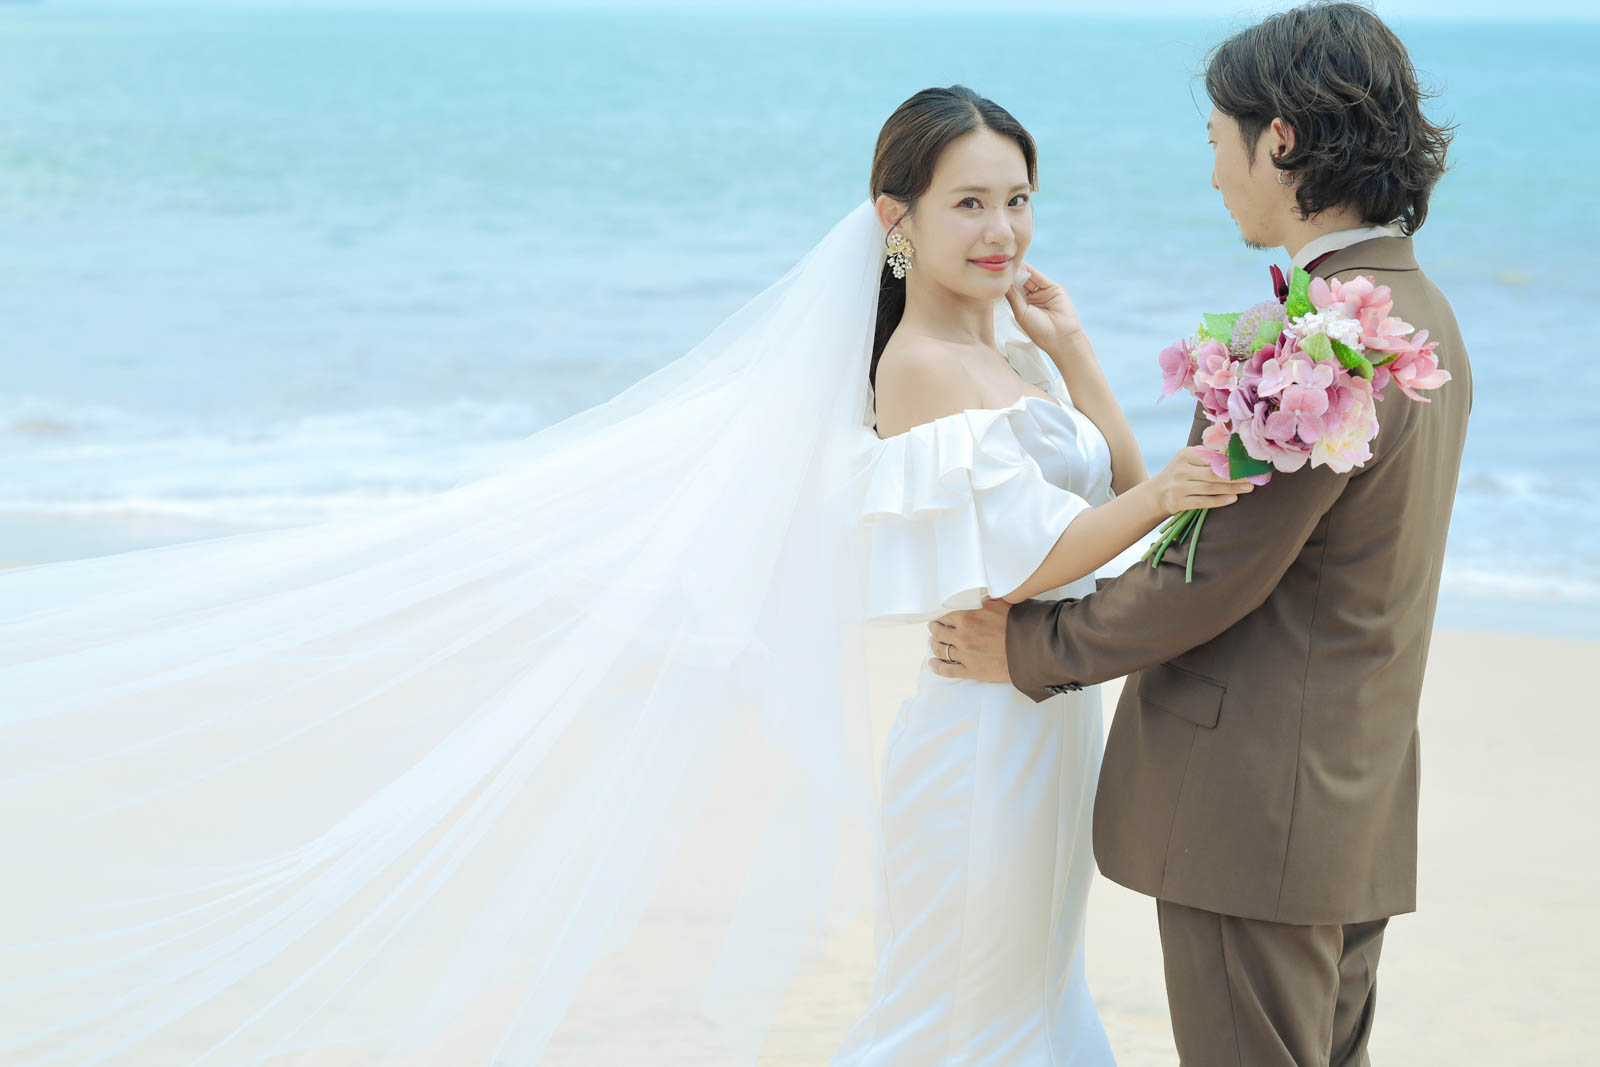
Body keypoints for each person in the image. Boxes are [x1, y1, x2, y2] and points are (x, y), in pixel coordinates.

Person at [933, 6, 1470, 1065]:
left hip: (1256, 808)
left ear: (1281, 140)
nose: (1215, 172)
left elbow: (1206, 574)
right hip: (1349, 792)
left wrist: (1030, 647)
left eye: (1219, 141)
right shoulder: (1417, 313)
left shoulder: (1318, 344)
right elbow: (1219, 533)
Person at [832, 86, 1250, 1065]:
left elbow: (1124, 487)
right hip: (979, 733)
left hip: (1047, 713)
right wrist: (1165, 494)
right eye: (969, 204)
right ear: (897, 217)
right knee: (959, 1015)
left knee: (1032, 994)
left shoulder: (1013, 352)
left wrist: (1073, 349)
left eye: (1018, 200)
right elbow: (1037, 557)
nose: (1003, 230)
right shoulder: (920, 364)